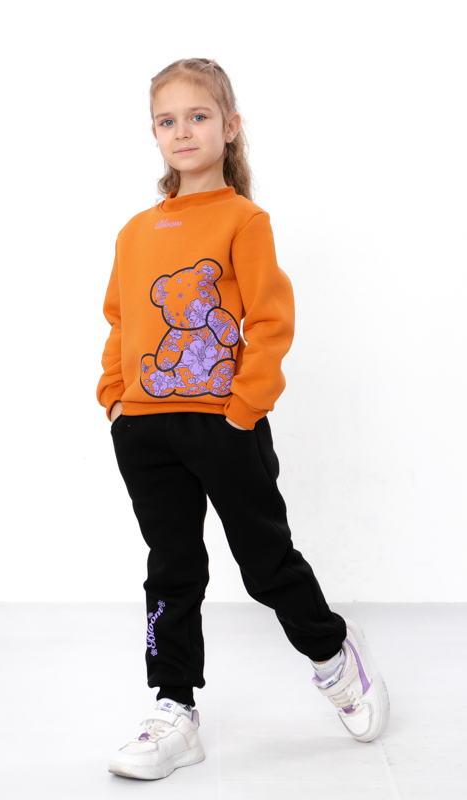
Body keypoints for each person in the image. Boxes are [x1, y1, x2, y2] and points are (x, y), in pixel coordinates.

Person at [97, 57, 390, 781]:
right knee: (171, 570)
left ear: (229, 127)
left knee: (265, 563)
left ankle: (332, 655)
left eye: (198, 116)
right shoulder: (134, 231)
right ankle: (173, 708)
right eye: (167, 120)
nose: (182, 131)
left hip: (223, 425)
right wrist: (115, 398)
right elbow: (121, 320)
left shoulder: (243, 220)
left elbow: (268, 319)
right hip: (145, 428)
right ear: (153, 134)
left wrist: (243, 410)